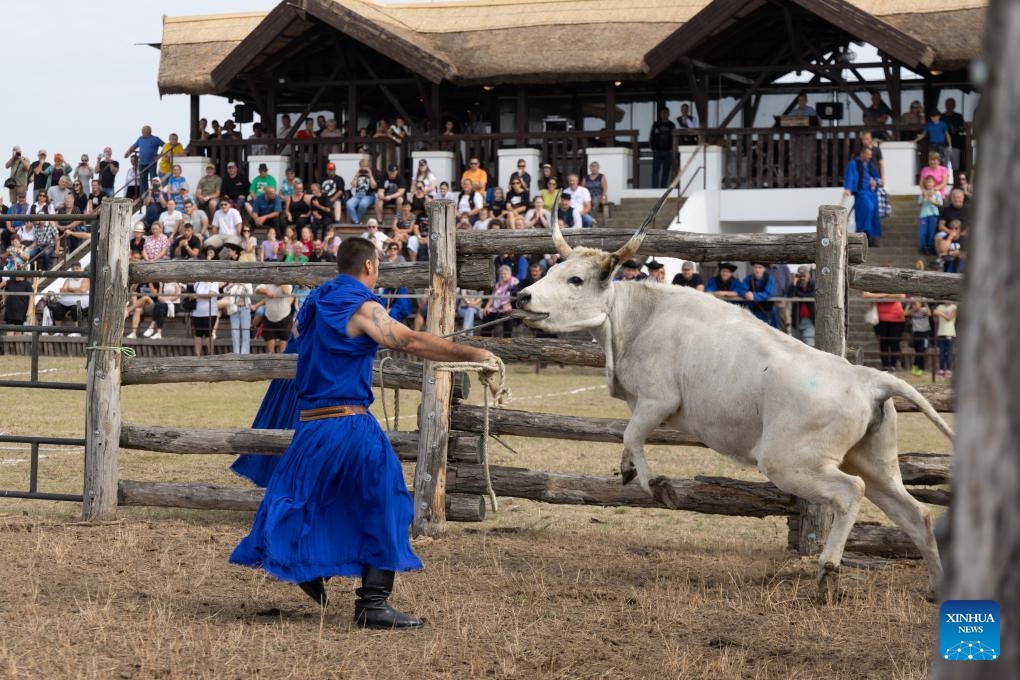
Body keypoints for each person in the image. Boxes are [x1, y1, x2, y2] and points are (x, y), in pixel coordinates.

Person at [230, 238, 495, 629]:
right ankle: (372, 602)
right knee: (387, 501)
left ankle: (307, 566)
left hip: (313, 424)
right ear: (370, 267)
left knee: (316, 498)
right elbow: (406, 339)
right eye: (379, 268)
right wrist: (474, 354)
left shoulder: (315, 303)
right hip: (349, 423)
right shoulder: (361, 306)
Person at [842, 146, 882, 246]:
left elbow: (876, 176)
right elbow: (850, 176)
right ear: (862, 154)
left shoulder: (870, 165)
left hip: (871, 192)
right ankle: (865, 235)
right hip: (861, 193)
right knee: (868, 208)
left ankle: (872, 237)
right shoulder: (854, 163)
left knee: (873, 212)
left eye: (870, 155)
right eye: (868, 155)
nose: (869, 157)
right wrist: (848, 188)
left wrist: (875, 181)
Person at [862, 291, 906, 372]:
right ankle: (885, 365)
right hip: (880, 319)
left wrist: (879, 296)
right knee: (883, 342)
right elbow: (866, 295)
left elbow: (901, 295)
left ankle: (893, 365)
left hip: (896, 318)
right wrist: (887, 295)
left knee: (894, 343)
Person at [787, 265, 816, 346]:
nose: (802, 278)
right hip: (796, 320)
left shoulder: (814, 284)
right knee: (795, 346)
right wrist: (794, 282)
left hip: (809, 320)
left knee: (809, 345)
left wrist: (799, 295)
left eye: (804, 276)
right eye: (800, 276)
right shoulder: (795, 285)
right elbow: (790, 295)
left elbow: (813, 294)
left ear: (809, 275)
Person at [742, 262, 778, 327]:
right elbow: (742, 289)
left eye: (760, 267)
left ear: (764, 269)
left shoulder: (770, 278)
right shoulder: (748, 278)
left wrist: (754, 296)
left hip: (768, 310)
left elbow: (768, 293)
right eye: (755, 267)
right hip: (754, 309)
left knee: (772, 330)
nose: (757, 269)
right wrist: (746, 294)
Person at [649, 107, 675, 188]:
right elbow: (651, 137)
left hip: (668, 152)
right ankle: (654, 189)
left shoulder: (671, 125)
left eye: (665, 113)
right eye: (662, 113)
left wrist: (672, 149)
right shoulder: (656, 124)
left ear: (668, 114)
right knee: (655, 172)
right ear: (660, 115)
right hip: (657, 151)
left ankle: (663, 189)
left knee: (666, 172)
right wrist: (653, 148)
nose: (664, 114)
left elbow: (675, 138)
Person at [917, 175, 943, 255]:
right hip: (924, 215)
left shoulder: (937, 193)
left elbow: (940, 204)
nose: (929, 184)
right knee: (923, 232)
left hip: (933, 214)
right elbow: (919, 204)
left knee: (932, 232)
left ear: (934, 183)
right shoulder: (923, 193)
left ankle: (930, 247)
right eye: (927, 183)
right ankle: (922, 247)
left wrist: (931, 200)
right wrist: (924, 197)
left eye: (930, 182)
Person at [346, 160, 377, 225]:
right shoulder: (358, 175)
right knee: (349, 204)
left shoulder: (373, 174)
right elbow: (353, 185)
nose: (363, 168)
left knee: (363, 204)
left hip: (368, 196)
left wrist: (370, 175)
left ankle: (355, 220)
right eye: (362, 166)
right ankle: (357, 222)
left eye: (365, 166)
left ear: (368, 167)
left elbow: (374, 186)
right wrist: (356, 175)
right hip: (358, 195)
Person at [907, 299, 932, 376]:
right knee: (917, 351)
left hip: (924, 333)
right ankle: (916, 367)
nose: (915, 306)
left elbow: (929, 314)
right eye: (913, 304)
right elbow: (904, 313)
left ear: (920, 304)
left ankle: (920, 368)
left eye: (916, 304)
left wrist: (925, 303)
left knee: (922, 351)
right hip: (916, 333)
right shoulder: (912, 311)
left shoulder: (924, 310)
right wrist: (908, 304)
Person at [933, 301, 957, 378]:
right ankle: (941, 369)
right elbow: (934, 314)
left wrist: (940, 313)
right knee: (941, 352)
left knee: (949, 352)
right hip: (941, 332)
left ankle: (948, 369)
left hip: (950, 333)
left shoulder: (954, 307)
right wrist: (936, 313)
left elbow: (949, 318)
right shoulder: (940, 307)